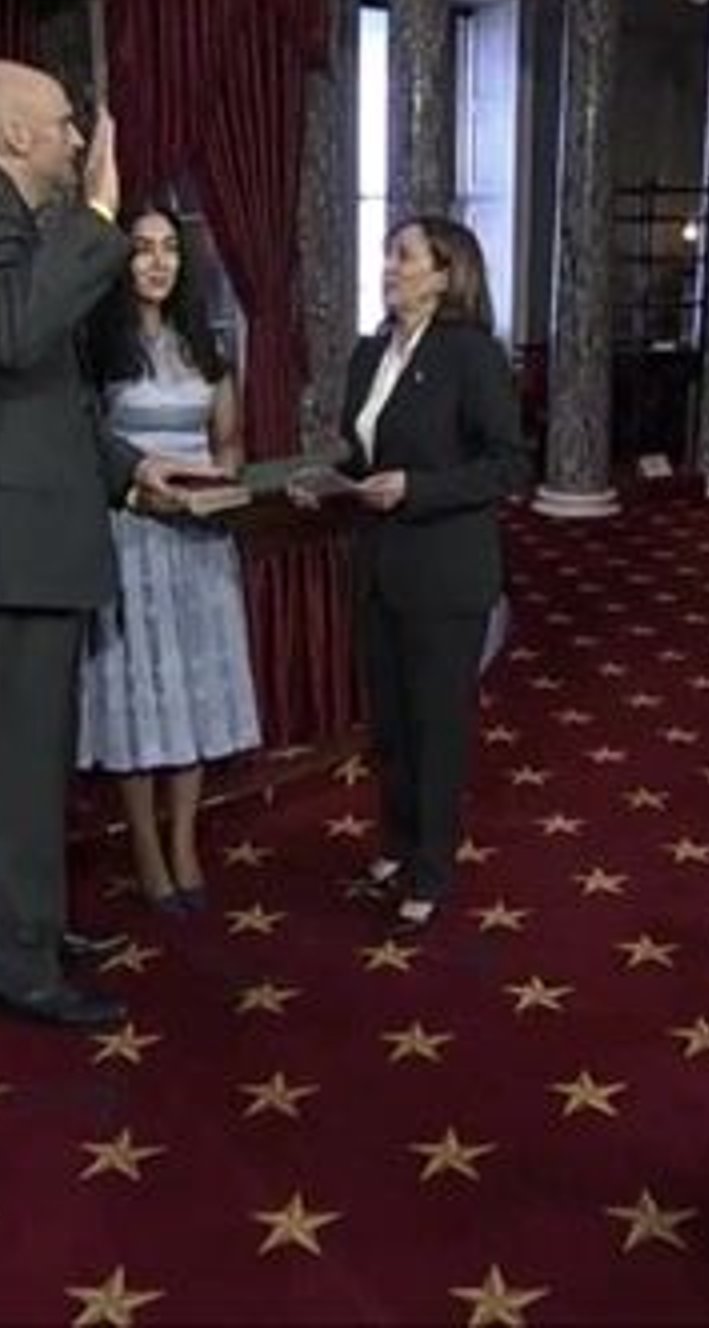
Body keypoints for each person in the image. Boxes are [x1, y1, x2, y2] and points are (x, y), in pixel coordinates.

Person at [0, 59, 209, 1030]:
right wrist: (100, 217)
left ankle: (32, 929)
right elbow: (16, 334)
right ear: (19, 134)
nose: (77, 142)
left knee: (33, 762)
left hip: (10, 536)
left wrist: (125, 469)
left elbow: (33, 400)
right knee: (17, 769)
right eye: (67, 125)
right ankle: (21, 971)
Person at [296, 216, 529, 935]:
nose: (388, 267)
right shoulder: (370, 354)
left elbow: (510, 465)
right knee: (392, 724)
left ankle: (431, 866)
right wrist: (328, 481)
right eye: (387, 255)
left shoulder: (471, 355)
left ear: (444, 272)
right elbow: (365, 456)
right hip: (378, 568)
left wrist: (419, 490)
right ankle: (396, 844)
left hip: (445, 572)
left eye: (404, 256)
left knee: (436, 726)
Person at [75, 207, 262, 915]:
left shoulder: (205, 345)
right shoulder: (95, 346)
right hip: (129, 540)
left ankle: (183, 842)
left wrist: (219, 477)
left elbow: (231, 438)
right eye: (143, 250)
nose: (158, 262)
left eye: (170, 250)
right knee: (139, 697)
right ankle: (148, 854)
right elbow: (83, 449)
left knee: (191, 701)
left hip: (201, 544)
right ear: (120, 263)